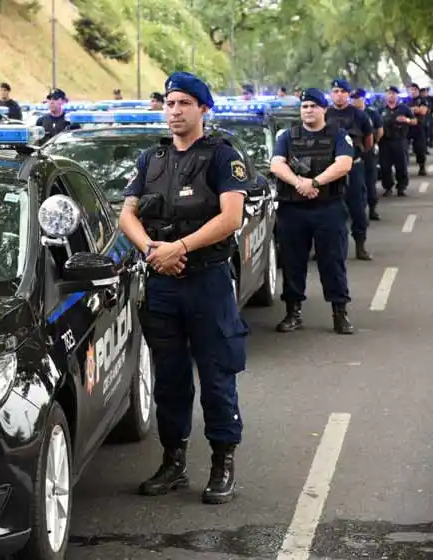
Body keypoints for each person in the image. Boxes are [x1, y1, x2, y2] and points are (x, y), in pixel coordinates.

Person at [119, 71, 249, 505]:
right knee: (170, 378)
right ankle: (173, 462)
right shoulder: (150, 159)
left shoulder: (222, 156)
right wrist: (154, 250)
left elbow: (231, 217)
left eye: (183, 104)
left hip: (207, 282)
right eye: (169, 103)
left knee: (217, 374)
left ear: (203, 109)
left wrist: (181, 246)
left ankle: (222, 462)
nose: (174, 111)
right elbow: (128, 216)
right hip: (163, 284)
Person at [270, 88, 355, 335]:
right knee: (292, 262)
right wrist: (300, 183)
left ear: (323, 110)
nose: (308, 110)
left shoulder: (338, 134)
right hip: (293, 209)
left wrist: (314, 182)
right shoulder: (287, 135)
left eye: (313, 106)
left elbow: (344, 164)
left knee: (333, 261)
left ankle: (340, 313)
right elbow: (277, 164)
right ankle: (293, 312)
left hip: (328, 207)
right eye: (304, 106)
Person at [325, 79, 373, 260]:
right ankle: (327, 247)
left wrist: (357, 156)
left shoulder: (359, 115)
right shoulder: (325, 114)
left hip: (353, 167)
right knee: (327, 208)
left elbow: (369, 139)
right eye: (335, 91)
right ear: (331, 94)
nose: (339, 94)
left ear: (348, 94)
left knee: (357, 207)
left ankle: (360, 245)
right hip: (329, 169)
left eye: (342, 91)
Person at [351, 88, 383, 220]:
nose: (355, 101)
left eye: (358, 98)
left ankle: (372, 209)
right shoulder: (349, 113)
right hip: (353, 153)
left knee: (370, 180)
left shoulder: (371, 112)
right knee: (355, 184)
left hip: (368, 151)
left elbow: (379, 131)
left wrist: (372, 144)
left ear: (363, 99)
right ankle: (357, 211)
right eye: (353, 98)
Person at [378, 86, 415, 197]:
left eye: (394, 93)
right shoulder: (381, 109)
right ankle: (388, 187)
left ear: (397, 95)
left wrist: (407, 120)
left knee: (401, 165)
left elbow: (414, 121)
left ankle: (401, 187)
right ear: (385, 95)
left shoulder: (404, 108)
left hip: (400, 140)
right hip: (385, 141)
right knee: (385, 166)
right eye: (389, 93)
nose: (391, 95)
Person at [407, 83, 428, 176]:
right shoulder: (406, 100)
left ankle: (422, 167)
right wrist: (415, 109)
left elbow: (423, 111)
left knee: (419, 148)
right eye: (411, 89)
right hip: (407, 127)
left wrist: (410, 109)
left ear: (418, 90)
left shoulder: (422, 100)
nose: (412, 91)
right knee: (403, 148)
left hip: (419, 127)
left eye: (414, 89)